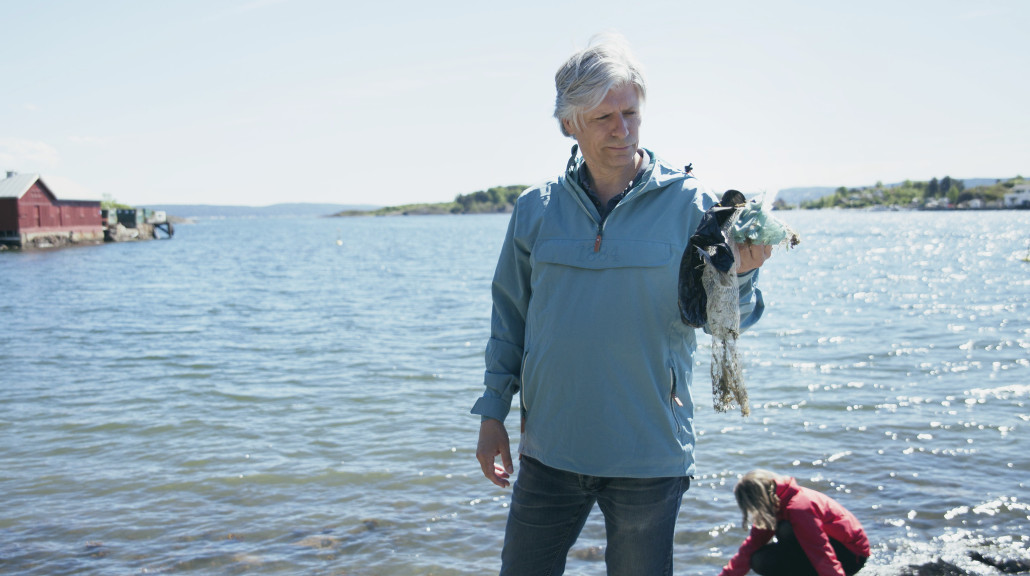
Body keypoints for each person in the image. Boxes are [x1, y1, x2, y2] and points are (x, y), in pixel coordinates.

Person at [471, 33, 772, 575]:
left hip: (649, 456)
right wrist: (493, 409)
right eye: (603, 116)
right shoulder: (534, 210)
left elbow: (732, 321)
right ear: (569, 123)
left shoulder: (692, 205)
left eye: (630, 112)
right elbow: (509, 317)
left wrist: (742, 275)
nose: (622, 128)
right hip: (550, 451)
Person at [719, 469, 871, 576]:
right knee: (759, 560)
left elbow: (820, 551)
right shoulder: (775, 503)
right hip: (828, 550)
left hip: (852, 556)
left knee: (786, 529)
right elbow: (752, 546)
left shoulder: (799, 507)